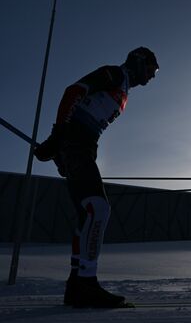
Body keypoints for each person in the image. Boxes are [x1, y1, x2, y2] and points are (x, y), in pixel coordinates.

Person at [33, 47, 159, 308]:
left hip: (83, 147)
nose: (151, 77)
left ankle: (76, 285)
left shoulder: (123, 90)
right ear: (138, 62)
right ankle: (85, 284)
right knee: (97, 208)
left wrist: (68, 149)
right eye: (150, 70)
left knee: (88, 214)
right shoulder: (113, 74)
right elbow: (73, 92)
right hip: (75, 143)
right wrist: (59, 136)